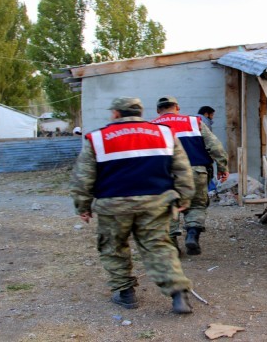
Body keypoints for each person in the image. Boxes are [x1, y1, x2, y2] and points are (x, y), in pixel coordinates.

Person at [69, 97, 195, 314]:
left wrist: (83, 206)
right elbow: (183, 169)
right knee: (158, 246)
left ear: (116, 113)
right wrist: (184, 198)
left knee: (113, 247)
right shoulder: (165, 133)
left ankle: (125, 293)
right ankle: (178, 295)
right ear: (139, 112)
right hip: (155, 203)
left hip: (113, 205)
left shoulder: (97, 138)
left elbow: (83, 177)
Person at [152, 96, 229, 256]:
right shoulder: (194, 122)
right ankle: (192, 234)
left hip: (164, 172)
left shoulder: (151, 126)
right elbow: (215, 147)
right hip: (195, 171)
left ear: (158, 110)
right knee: (196, 205)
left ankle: (173, 246)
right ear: (177, 107)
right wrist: (222, 166)